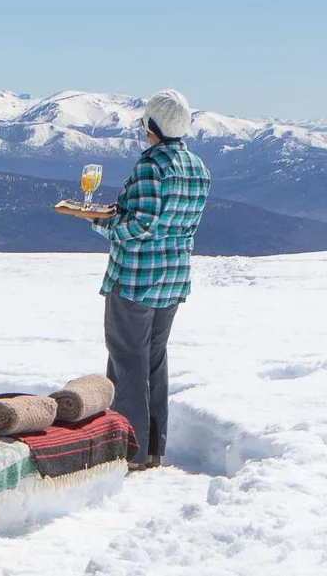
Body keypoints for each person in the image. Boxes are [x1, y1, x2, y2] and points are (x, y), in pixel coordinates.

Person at [72, 89, 210, 472]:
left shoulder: (153, 165)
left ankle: (127, 450)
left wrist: (99, 220)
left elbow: (140, 225)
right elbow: (172, 222)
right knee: (153, 361)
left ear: (153, 126)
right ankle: (151, 448)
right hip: (172, 277)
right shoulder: (197, 167)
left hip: (136, 278)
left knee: (127, 361)